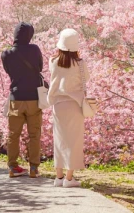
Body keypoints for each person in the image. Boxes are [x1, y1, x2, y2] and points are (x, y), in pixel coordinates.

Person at [1, 22, 44, 178]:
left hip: (15, 98)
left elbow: (9, 72)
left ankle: (13, 167)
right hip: (33, 98)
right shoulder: (34, 49)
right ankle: (33, 168)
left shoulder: (6, 54)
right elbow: (40, 68)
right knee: (34, 134)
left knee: (13, 134)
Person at [47, 28, 88, 188]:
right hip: (75, 105)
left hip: (58, 105)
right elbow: (87, 78)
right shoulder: (80, 64)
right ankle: (69, 178)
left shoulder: (53, 61)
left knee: (59, 140)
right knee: (74, 141)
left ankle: (58, 177)